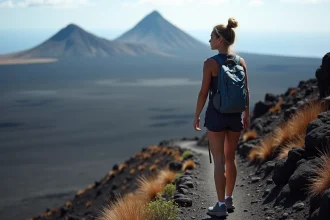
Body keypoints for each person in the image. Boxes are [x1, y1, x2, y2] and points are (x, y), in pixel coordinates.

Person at [193, 17, 250, 217]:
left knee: (218, 160)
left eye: (211, 37)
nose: (209, 41)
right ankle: (229, 198)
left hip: (216, 116)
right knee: (230, 157)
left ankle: (220, 206)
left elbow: (203, 93)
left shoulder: (210, 63)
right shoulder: (240, 61)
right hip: (235, 116)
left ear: (219, 40)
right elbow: (246, 90)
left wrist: (197, 116)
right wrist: (246, 115)